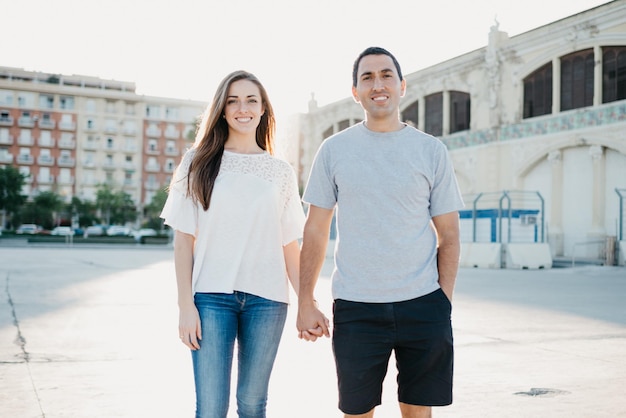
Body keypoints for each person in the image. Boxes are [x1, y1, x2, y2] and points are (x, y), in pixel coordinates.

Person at [296, 47, 465, 418]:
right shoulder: (334, 150)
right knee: (357, 413)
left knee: (418, 413)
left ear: (402, 86)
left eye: (386, 75)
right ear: (355, 92)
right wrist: (305, 300)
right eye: (367, 77)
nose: (378, 84)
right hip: (356, 307)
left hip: (423, 305)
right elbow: (315, 230)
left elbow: (449, 235)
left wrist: (443, 302)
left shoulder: (431, 151)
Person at [160, 70, 306, 418]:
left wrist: (307, 302)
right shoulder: (197, 163)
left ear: (263, 109)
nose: (243, 108)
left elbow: (289, 245)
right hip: (211, 299)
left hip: (268, 301)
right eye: (233, 100)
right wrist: (185, 306)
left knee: (253, 405)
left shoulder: (280, 172)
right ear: (222, 110)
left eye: (251, 100)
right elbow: (183, 240)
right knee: (211, 408)